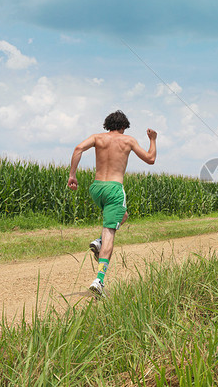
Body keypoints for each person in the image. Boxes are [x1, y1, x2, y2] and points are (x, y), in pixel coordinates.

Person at [67, 110, 157, 296]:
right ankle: (99, 280)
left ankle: (99, 242)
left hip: (97, 188)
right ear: (123, 127)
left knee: (121, 215)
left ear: (107, 125)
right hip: (115, 189)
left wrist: (72, 175)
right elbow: (150, 159)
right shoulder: (128, 140)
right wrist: (153, 139)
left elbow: (78, 149)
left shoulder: (97, 138)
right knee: (110, 230)